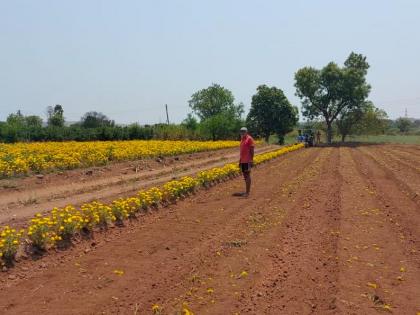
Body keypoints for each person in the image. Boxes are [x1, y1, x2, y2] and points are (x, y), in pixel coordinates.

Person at [238, 127, 255, 197]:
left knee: (247, 175)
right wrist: (240, 160)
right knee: (245, 176)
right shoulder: (242, 139)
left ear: (247, 132)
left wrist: (251, 160)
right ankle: (246, 191)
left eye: (244, 131)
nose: (242, 132)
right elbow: (242, 151)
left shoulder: (249, 139)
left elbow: (252, 150)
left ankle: (247, 193)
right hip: (243, 160)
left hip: (247, 160)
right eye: (241, 131)